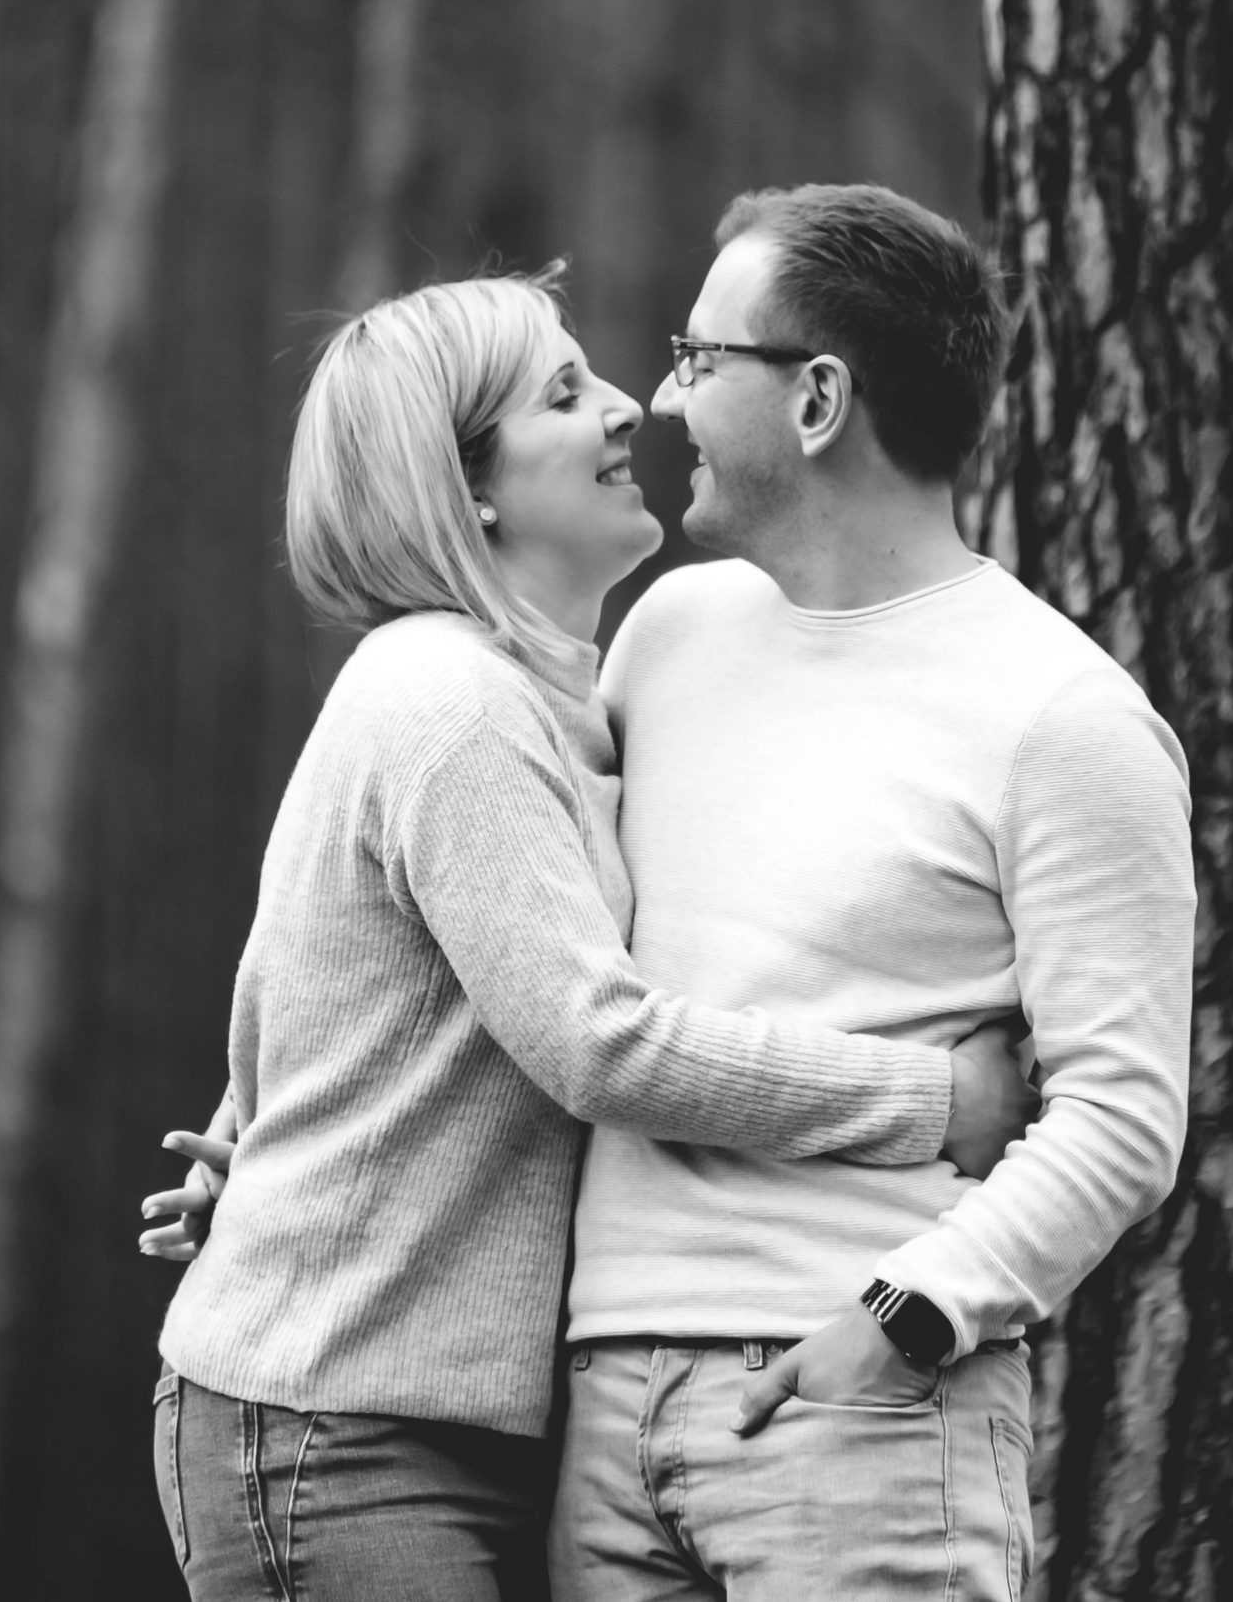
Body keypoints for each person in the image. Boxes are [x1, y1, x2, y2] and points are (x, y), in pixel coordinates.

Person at [137, 268, 1040, 1602]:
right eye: (562, 394)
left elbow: (332, 967)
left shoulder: (559, 701)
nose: (627, 406)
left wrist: (261, 1128)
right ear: (469, 489)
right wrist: (938, 1099)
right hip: (339, 1424)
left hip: (440, 1422)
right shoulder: (449, 700)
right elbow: (594, 1042)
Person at [547, 183, 1194, 1600]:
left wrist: (902, 1322)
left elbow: (1124, 1118)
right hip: (596, 1415)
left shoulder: (1063, 717)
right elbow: (544, 962)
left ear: (818, 399)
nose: (663, 398)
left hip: (865, 1426)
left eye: (701, 357)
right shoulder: (664, 635)